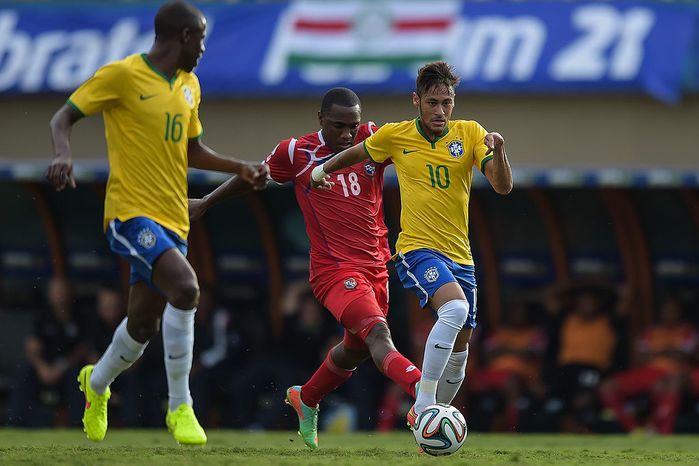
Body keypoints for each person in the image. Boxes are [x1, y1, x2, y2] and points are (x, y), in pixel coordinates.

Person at [46, 1, 267, 445]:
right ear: (184, 36)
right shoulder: (123, 75)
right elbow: (63, 116)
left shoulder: (190, 86)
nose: (204, 48)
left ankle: (95, 384)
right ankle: (180, 406)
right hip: (129, 213)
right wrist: (63, 153)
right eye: (201, 38)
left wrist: (237, 166)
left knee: (141, 326)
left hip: (172, 218)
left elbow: (192, 150)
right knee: (186, 288)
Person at [189, 87, 422, 448]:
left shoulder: (372, 139)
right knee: (379, 335)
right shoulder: (296, 152)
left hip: (377, 268)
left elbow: (416, 144)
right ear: (320, 119)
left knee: (357, 350)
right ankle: (424, 395)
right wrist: (205, 202)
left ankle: (307, 397)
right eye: (338, 126)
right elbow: (255, 177)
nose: (346, 135)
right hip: (334, 272)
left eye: (352, 126)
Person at [310, 61, 513, 427]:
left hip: (460, 257)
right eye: (433, 103)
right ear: (416, 101)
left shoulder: (469, 134)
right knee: (453, 311)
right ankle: (423, 405)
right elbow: (356, 153)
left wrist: (498, 151)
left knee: (461, 347)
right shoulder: (396, 135)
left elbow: (502, 186)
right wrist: (321, 170)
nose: (440, 111)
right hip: (417, 249)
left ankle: (430, 426)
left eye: (447, 103)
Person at [599, 296, 697, 434]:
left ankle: (662, 431)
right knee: (607, 386)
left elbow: (685, 356)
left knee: (666, 384)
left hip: (677, 373)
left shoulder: (688, 331)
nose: (670, 313)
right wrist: (670, 351)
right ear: (660, 312)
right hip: (650, 372)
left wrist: (657, 353)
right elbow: (642, 358)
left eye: (673, 310)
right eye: (666, 310)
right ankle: (634, 429)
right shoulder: (650, 332)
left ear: (680, 312)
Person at [5, 277, 86, 427]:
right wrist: (42, 367)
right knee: (24, 375)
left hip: (67, 370)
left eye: (63, 291)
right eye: (56, 292)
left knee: (79, 378)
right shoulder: (42, 317)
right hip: (43, 369)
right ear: (49, 294)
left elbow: (82, 350)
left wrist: (61, 367)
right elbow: (32, 348)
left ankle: (77, 427)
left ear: (70, 294)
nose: (60, 295)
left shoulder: (80, 317)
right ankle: (16, 425)